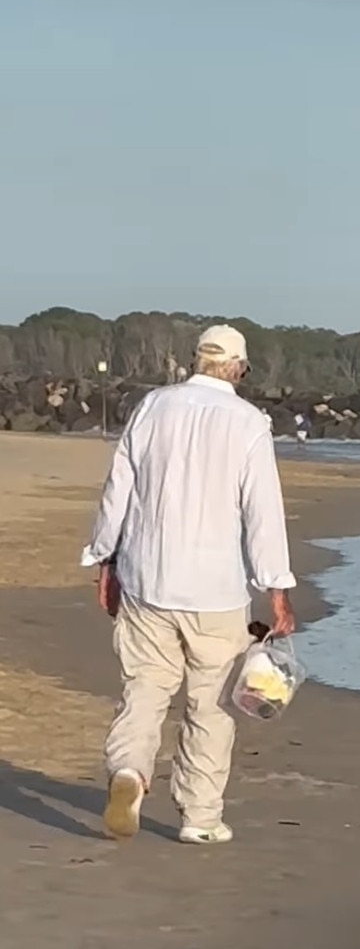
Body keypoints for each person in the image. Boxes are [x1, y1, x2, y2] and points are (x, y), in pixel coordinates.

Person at [81, 324, 296, 845]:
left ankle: (130, 772)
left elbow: (120, 491)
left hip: (147, 577)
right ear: (240, 369)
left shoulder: (154, 406)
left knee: (145, 688)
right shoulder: (248, 422)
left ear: (197, 360)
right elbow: (262, 510)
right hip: (216, 590)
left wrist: (103, 558)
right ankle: (200, 816)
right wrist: (277, 589)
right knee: (211, 705)